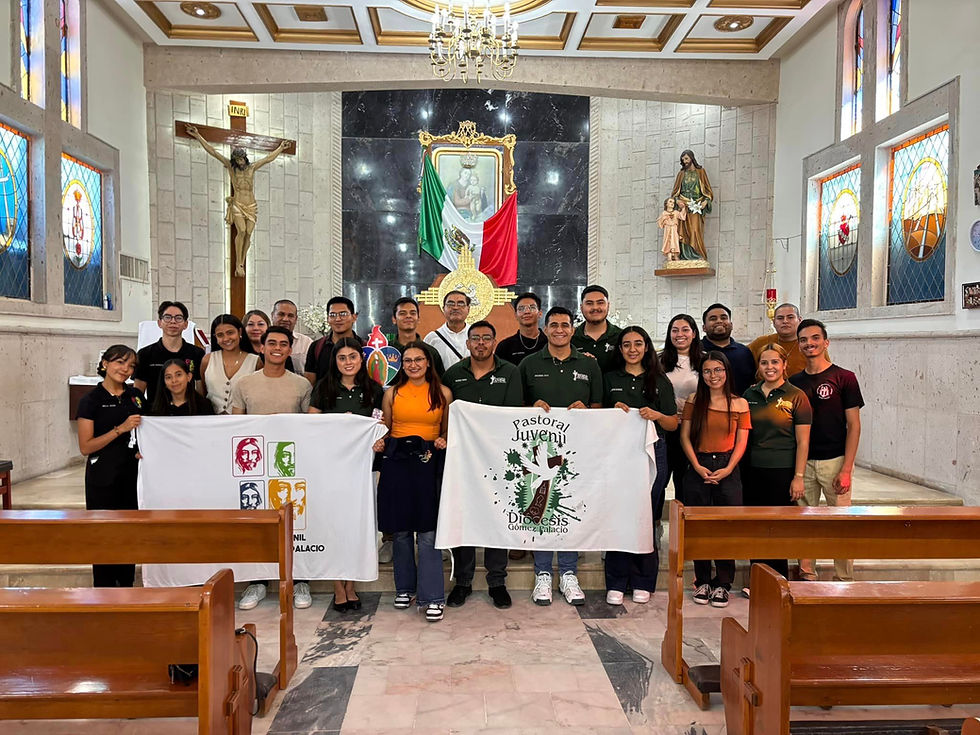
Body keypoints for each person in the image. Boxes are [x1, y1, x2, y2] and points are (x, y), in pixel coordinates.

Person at [519, 306, 602, 606]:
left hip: (577, 450)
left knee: (569, 508)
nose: (559, 330)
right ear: (545, 329)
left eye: (565, 325)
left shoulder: (589, 365)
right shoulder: (529, 364)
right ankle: (542, 573)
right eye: (553, 325)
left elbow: (599, 407)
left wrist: (586, 410)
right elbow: (516, 407)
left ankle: (568, 572)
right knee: (542, 509)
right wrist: (531, 408)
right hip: (539, 451)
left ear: (572, 329)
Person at [231, 326, 314, 610]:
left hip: (289, 462)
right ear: (262, 347)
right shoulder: (244, 384)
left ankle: (300, 579)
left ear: (290, 350)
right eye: (272, 343)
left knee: (294, 522)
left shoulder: (301, 385)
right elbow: (236, 426)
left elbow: (309, 427)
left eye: (283, 344)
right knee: (259, 524)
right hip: (255, 464)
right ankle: (258, 582)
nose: (277, 348)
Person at [442, 321, 523, 610]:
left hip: (499, 459)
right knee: (463, 517)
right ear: (467, 343)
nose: (480, 343)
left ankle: (497, 582)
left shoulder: (510, 372)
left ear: (494, 342)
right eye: (475, 338)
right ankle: (462, 582)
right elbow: (446, 415)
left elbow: (512, 416)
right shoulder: (454, 374)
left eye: (486, 338)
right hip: (462, 460)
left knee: (497, 517)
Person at [373, 343, 452, 623]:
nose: (413, 365)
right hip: (397, 460)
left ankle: (433, 596)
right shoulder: (392, 393)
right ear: (401, 364)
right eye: (408, 360)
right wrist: (380, 441)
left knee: (428, 531)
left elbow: (448, 430)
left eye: (419, 359)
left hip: (428, 461)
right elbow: (386, 428)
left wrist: (443, 439)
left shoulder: (443, 393)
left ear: (428, 362)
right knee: (401, 529)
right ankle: (405, 588)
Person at [603, 326, 677, 605]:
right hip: (617, 454)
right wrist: (612, 413)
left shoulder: (660, 380)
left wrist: (656, 415)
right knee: (619, 515)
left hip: (653, 452)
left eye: (637, 344)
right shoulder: (610, 379)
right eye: (626, 344)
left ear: (646, 347)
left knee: (647, 514)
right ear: (620, 349)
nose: (632, 349)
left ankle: (643, 580)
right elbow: (596, 415)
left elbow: (673, 422)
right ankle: (616, 580)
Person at [308, 337, 383, 613]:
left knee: (356, 527)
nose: (348, 362)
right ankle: (337, 586)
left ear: (361, 359)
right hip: (330, 469)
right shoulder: (324, 387)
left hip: (362, 469)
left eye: (353, 357)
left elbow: (380, 424)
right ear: (335, 361)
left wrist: (378, 439)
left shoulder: (373, 389)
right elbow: (312, 425)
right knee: (333, 527)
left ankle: (351, 584)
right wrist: (341, 424)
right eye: (342, 358)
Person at [790, 319, 864, 582]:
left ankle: (844, 578)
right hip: (804, 462)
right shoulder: (794, 382)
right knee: (805, 522)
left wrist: (846, 469)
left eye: (815, 338)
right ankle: (807, 572)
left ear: (826, 342)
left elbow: (854, 426)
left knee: (841, 523)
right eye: (803, 340)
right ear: (799, 345)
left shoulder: (844, 378)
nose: (809, 343)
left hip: (835, 460)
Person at [680, 351, 751, 608]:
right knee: (700, 526)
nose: (713, 375)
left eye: (718, 370)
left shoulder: (739, 404)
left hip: (727, 466)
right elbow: (685, 436)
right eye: (708, 371)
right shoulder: (694, 400)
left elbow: (741, 441)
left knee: (725, 526)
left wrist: (728, 468)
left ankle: (723, 583)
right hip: (698, 465)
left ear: (726, 372)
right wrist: (697, 466)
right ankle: (702, 580)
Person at [741, 343, 811, 590]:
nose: (769, 367)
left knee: (777, 527)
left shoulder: (796, 396)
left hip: (782, 471)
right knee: (755, 525)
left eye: (774, 362)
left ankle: (777, 582)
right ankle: (757, 580)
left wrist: (798, 476)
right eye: (764, 362)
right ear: (758, 367)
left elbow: (803, 441)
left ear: (784, 365)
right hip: (752, 470)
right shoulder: (749, 395)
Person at [76, 345, 144, 587]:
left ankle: (126, 587)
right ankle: (103, 591)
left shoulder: (135, 396)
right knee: (104, 535)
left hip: (131, 475)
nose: (125, 369)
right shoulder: (91, 400)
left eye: (130, 365)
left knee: (128, 534)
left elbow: (146, 432)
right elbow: (86, 446)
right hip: (102, 477)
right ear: (105, 363)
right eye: (119, 362)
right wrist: (120, 429)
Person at [185, 125, 289, 276]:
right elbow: (213, 152)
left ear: (245, 158)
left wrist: (280, 148)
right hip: (238, 204)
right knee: (241, 230)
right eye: (237, 160)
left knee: (249, 233)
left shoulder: (252, 167)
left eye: (241, 159)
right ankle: (238, 263)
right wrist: (198, 136)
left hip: (251, 205)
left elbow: (268, 159)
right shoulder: (230, 167)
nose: (240, 162)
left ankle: (241, 262)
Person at [661, 314, 705, 509]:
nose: (680, 334)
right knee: (660, 478)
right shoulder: (658, 360)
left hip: (693, 429)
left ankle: (684, 521)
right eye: (675, 330)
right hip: (664, 427)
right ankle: (654, 522)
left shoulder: (704, 360)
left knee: (686, 481)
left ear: (694, 333)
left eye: (685, 330)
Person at [134, 301, 205, 406]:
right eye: (167, 317)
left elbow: (200, 390)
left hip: (188, 412)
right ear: (159, 323)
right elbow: (138, 393)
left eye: (178, 318)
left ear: (186, 324)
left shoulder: (196, 353)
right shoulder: (145, 354)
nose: (173, 321)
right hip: (155, 412)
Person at [201, 314, 261, 414]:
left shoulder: (255, 361)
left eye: (230, 333)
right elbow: (203, 392)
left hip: (243, 419)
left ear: (240, 332)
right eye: (220, 335)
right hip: (211, 419)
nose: (226, 339)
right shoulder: (207, 360)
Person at [304, 296, 362, 385]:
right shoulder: (316, 347)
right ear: (328, 319)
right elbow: (309, 383)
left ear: (354, 317)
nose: (338, 319)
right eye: (332, 315)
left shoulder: (364, 346)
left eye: (343, 314)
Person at [701, 303, 756, 394]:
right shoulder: (696, 350)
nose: (719, 321)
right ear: (704, 328)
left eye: (723, 318)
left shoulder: (744, 352)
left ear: (731, 325)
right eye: (713, 319)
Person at [671, 149, 714, 261]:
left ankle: (697, 254)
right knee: (683, 232)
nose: (685, 161)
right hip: (683, 206)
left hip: (696, 206)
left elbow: (708, 191)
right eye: (683, 160)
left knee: (695, 230)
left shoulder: (701, 172)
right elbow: (675, 193)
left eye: (686, 158)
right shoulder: (681, 174)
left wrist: (705, 201)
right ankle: (684, 256)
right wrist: (677, 201)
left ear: (692, 158)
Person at [388, 297, 445, 376]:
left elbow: (438, 381)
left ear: (418, 319)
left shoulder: (431, 352)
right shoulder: (385, 350)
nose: (408, 316)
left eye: (413, 313)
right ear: (394, 319)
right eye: (402, 313)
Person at [571, 285, 621, 373]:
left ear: (608, 306)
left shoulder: (621, 337)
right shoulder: (570, 337)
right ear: (581, 308)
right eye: (589, 303)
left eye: (600, 303)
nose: (595, 308)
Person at [746, 303, 806, 377]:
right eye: (780, 318)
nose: (785, 321)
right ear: (774, 322)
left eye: (790, 317)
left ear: (799, 320)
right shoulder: (761, 343)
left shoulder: (808, 345)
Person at [495, 292, 548, 367]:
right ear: (515, 315)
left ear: (540, 313)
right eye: (521, 309)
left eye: (532, 307)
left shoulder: (549, 343)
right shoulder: (505, 347)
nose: (527, 312)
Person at [423, 291, 470, 370]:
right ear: (443, 309)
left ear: (468, 309)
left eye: (461, 304)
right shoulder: (431, 338)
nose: (455, 308)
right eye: (450, 304)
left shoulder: (477, 336)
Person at [272, 299, 312, 375]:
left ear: (296, 319)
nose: (285, 319)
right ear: (272, 315)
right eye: (281, 314)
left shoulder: (306, 343)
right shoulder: (263, 341)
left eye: (290, 316)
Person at [658, 197, 687, 262]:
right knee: (667, 241)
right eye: (670, 202)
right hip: (667, 229)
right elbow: (660, 223)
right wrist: (664, 219)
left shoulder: (676, 212)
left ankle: (676, 255)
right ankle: (669, 256)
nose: (672, 203)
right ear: (666, 204)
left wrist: (683, 208)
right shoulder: (664, 213)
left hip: (674, 229)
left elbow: (682, 217)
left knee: (674, 241)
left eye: (673, 202)